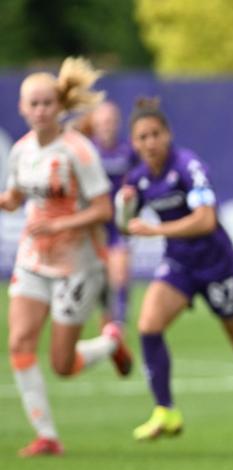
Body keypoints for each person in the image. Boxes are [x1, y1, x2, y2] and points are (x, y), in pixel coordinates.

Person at [119, 98, 233, 442]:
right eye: (142, 138)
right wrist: (123, 209)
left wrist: (156, 230)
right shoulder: (139, 178)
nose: (150, 143)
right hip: (180, 265)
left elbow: (206, 220)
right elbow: (126, 226)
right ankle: (166, 412)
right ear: (134, 144)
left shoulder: (188, 166)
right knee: (148, 326)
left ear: (168, 135)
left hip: (218, 267)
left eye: (155, 134)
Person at [1, 57, 133, 457]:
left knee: (62, 364)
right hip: (34, 260)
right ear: (22, 109)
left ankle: (110, 341)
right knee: (20, 342)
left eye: (47, 103)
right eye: (33, 104)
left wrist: (60, 226)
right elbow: (17, 196)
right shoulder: (22, 152)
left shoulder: (79, 150)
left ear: (59, 107)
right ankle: (47, 436)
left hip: (78, 265)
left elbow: (103, 210)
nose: (40, 110)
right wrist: (7, 200)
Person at [81, 100, 138, 326]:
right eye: (103, 121)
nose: (107, 125)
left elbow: (137, 180)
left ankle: (119, 321)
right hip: (94, 223)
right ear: (94, 123)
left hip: (117, 222)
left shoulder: (128, 151)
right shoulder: (86, 150)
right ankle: (107, 315)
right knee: (97, 278)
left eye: (112, 121)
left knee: (120, 273)